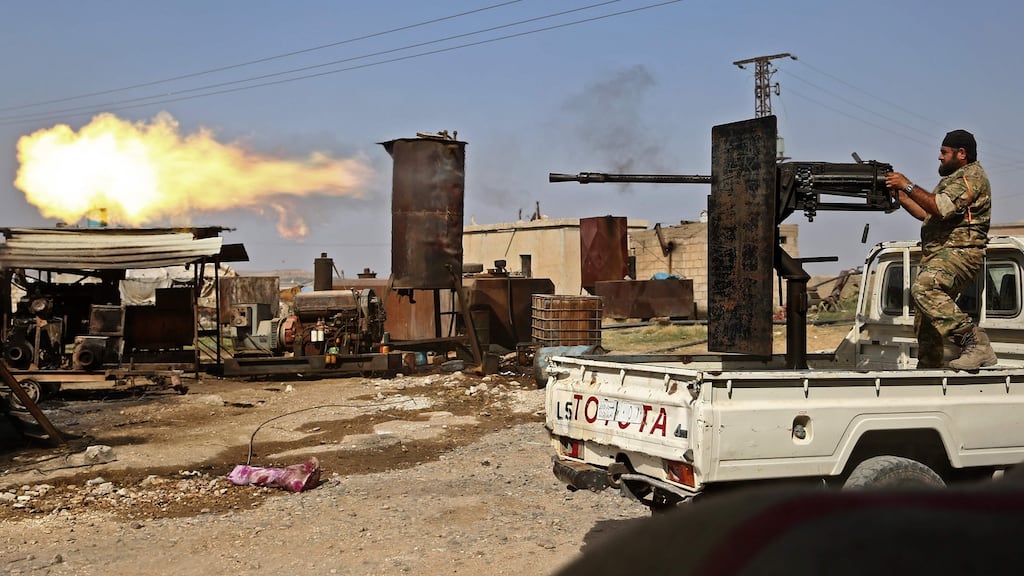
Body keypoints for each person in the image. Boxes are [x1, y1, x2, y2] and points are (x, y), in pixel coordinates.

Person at [884, 129, 996, 370]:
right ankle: (929, 367)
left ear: (961, 153)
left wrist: (907, 184)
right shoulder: (955, 179)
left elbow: (940, 206)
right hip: (942, 253)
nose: (939, 157)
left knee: (925, 287)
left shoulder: (970, 178)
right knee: (927, 316)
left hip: (961, 252)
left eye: (944, 152)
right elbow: (927, 213)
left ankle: (976, 345)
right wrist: (901, 196)